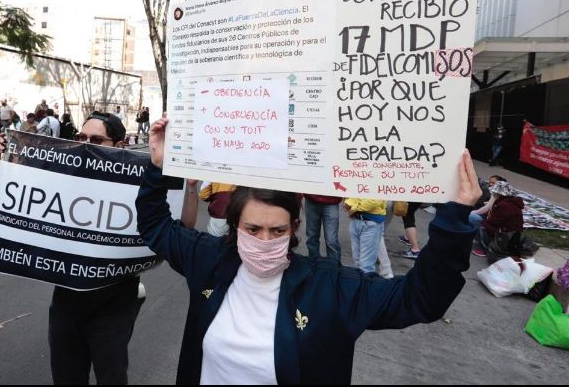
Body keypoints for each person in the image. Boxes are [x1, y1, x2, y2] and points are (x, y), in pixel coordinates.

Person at [138, 116, 482, 384]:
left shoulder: (331, 289)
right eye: (253, 229)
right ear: (235, 227)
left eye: (277, 230)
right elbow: (155, 225)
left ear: (295, 230)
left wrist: (453, 221)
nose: (264, 241)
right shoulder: (209, 261)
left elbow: (420, 299)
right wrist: (158, 166)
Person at [0, 111, 199, 385]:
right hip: (66, 297)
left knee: (111, 375)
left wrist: (192, 188)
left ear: (120, 145)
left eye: (97, 139)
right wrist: (8, 161)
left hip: (116, 299)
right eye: (81, 136)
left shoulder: (145, 175)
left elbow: (180, 228)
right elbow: (26, 195)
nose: (86, 144)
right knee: (66, 376)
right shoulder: (64, 168)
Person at [472, 180, 524, 257]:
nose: (493, 194)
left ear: (499, 194)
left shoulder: (505, 205)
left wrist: (482, 222)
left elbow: (494, 222)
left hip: (507, 235)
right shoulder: (506, 202)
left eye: (495, 193)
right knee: (479, 221)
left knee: (480, 226)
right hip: (509, 232)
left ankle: (485, 250)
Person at [344, 197, 387, 273]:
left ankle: (385, 274)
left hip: (371, 222)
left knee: (366, 266)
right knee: (357, 262)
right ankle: (359, 283)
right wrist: (348, 202)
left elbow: (375, 201)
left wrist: (353, 207)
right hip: (355, 220)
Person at [303, 194, 343, 263]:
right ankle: (314, 264)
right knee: (312, 237)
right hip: (311, 199)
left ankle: (334, 266)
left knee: (331, 240)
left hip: (331, 201)